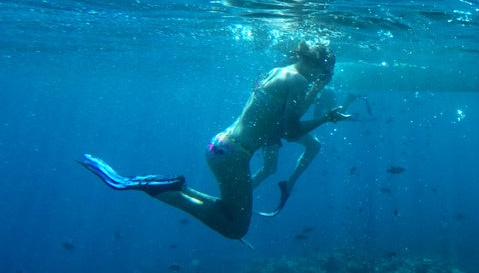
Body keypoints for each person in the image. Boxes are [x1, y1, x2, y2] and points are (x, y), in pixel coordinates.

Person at [79, 41, 352, 240]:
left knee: (227, 211)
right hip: (234, 157)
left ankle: (173, 187)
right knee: (235, 228)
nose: (321, 78)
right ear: (316, 64)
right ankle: (163, 190)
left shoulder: (280, 71)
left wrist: (316, 88)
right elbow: (291, 133)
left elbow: (282, 121)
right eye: (323, 72)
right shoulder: (299, 81)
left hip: (221, 146)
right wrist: (326, 117)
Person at [251, 88, 367, 217]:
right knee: (311, 148)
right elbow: (333, 116)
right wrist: (348, 101)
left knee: (269, 168)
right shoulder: (327, 90)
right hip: (280, 125)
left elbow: (326, 115)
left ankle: (243, 194)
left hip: (275, 124)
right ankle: (286, 186)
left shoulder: (314, 86)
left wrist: (347, 101)